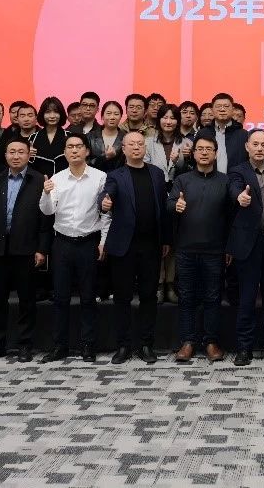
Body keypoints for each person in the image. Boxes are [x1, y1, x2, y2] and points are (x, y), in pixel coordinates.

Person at [0, 138, 49, 363]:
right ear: (5, 155)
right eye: (11, 152)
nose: (16, 156)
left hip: (27, 248)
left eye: (20, 152)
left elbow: (45, 219)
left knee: (27, 299)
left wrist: (42, 249)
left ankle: (25, 345)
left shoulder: (39, 180)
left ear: (29, 155)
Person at [100, 131, 169, 364]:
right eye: (132, 144)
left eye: (140, 144)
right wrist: (105, 202)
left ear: (145, 148)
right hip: (124, 246)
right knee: (122, 297)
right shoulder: (115, 175)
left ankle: (146, 344)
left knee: (149, 296)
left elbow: (162, 208)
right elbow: (106, 195)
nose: (137, 147)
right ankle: (123, 345)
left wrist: (165, 239)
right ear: (124, 149)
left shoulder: (157, 173)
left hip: (151, 245)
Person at [39, 134, 107, 363]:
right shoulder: (56, 179)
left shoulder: (100, 177)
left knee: (88, 297)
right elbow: (48, 211)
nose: (74, 150)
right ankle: (60, 346)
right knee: (60, 298)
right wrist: (46, 193)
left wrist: (103, 241)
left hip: (88, 242)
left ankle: (88, 345)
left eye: (79, 146)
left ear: (87, 151)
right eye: (70, 147)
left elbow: (106, 214)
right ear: (65, 152)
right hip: (62, 243)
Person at [168, 134, 229, 363]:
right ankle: (188, 342)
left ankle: (211, 342)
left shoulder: (225, 181)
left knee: (213, 297)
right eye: (200, 149)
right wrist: (176, 205)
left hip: (215, 250)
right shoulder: (182, 180)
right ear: (193, 154)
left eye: (208, 149)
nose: (204, 153)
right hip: (186, 249)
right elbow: (169, 203)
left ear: (215, 153)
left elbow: (231, 215)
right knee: (187, 297)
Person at [228, 129, 264, 365]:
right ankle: (244, 347)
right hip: (248, 243)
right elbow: (234, 188)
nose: (260, 148)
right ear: (247, 147)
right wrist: (239, 197)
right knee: (247, 297)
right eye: (255, 144)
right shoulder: (238, 171)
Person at [197, 92, 247, 173]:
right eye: (218, 106)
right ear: (212, 110)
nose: (222, 109)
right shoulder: (203, 133)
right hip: (209, 179)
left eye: (226, 106)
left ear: (233, 109)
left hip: (236, 179)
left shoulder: (244, 135)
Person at [147, 104, 192, 183]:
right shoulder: (148, 143)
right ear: (159, 120)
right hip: (154, 185)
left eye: (172, 118)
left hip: (179, 186)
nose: (168, 122)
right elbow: (145, 168)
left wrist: (180, 160)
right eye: (165, 118)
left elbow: (190, 171)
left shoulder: (187, 143)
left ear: (178, 121)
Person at [87, 101, 125, 173]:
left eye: (116, 114)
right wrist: (105, 157)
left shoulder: (126, 138)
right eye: (108, 113)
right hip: (95, 176)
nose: (112, 117)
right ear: (102, 117)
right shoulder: (90, 137)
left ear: (120, 117)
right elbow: (85, 162)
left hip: (118, 177)